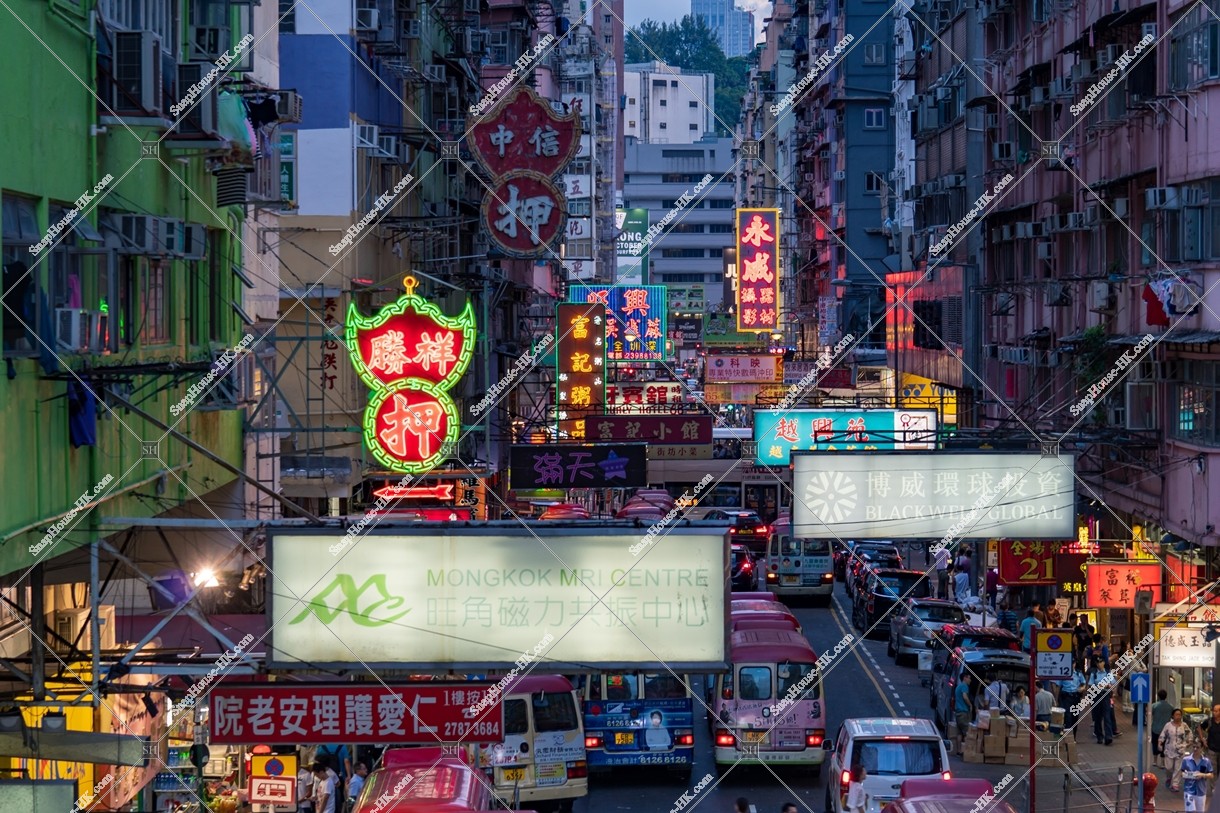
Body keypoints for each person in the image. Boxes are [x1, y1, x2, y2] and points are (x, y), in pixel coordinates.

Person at [1160, 709, 1191, 791]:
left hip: (1180, 750)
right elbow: (1163, 734)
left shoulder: (1184, 725)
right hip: (1169, 749)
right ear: (1173, 716)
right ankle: (1169, 778)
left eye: (1179, 715)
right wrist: (1159, 742)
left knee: (1178, 768)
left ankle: (1175, 784)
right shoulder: (1168, 725)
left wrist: (1188, 742)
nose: (1178, 716)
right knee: (1168, 767)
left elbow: (1189, 734)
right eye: (1176, 714)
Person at [1182, 740, 1215, 813]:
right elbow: (1182, 772)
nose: (1195, 749)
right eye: (1194, 747)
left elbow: (1211, 775)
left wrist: (1203, 775)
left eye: (1197, 747)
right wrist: (1186, 775)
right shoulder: (1186, 760)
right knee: (1190, 811)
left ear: (1202, 748)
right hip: (1189, 790)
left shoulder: (1206, 761)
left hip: (1201, 791)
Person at [1087, 663, 1114, 745]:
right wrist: (1098, 686)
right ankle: (1099, 736)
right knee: (1097, 717)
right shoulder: (1094, 673)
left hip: (1106, 696)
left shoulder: (1108, 673)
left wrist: (1109, 685)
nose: (1100, 664)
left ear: (1104, 663)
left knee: (1107, 716)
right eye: (1098, 663)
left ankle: (1108, 737)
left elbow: (1114, 684)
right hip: (1097, 696)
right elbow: (1090, 686)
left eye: (1101, 662)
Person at [1197, 703, 1220, 799]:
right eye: (1213, 711)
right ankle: (1214, 788)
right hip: (1212, 749)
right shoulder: (1209, 721)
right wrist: (1202, 739)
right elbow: (1199, 728)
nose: (1214, 713)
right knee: (1213, 769)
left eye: (1216, 711)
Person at [1059, 664, 1086, 741]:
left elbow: (1083, 683)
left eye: (1073, 663)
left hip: (1075, 697)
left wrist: (1082, 688)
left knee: (1075, 717)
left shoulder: (1078, 673)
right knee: (1067, 718)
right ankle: (1068, 738)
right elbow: (1057, 684)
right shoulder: (1063, 673)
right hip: (1066, 697)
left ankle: (1073, 737)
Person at [1152, 690, 1175, 769]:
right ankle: (1162, 762)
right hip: (1166, 730)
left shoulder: (1154, 706)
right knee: (1164, 745)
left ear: (1158, 696)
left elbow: (1149, 714)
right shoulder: (1170, 706)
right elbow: (1173, 716)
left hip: (1155, 728)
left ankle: (1155, 761)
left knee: (1155, 743)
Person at [954, 673, 974, 747]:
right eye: (969, 678)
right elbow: (965, 696)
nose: (970, 680)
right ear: (965, 678)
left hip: (958, 713)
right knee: (967, 733)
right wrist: (970, 705)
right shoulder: (964, 686)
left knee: (959, 733)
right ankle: (967, 751)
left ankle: (959, 750)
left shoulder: (958, 686)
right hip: (963, 713)